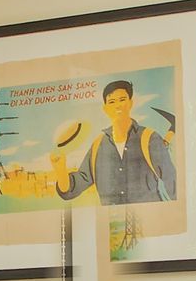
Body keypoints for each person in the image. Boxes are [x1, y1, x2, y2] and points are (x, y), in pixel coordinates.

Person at [52, 75, 176, 205]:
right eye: (111, 102)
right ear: (105, 108)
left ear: (130, 103)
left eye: (122, 99)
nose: (118, 105)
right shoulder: (98, 146)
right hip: (109, 222)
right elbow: (72, 189)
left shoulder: (150, 138)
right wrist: (60, 168)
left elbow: (172, 182)